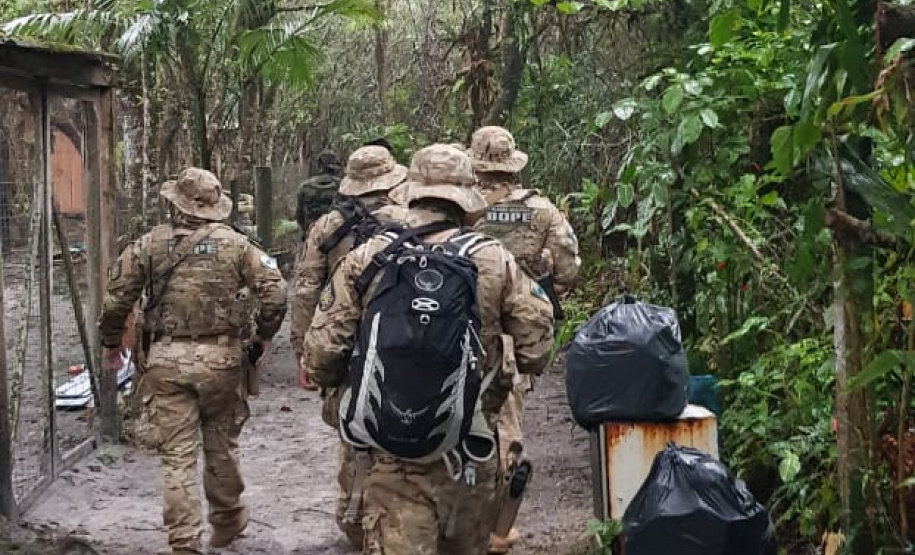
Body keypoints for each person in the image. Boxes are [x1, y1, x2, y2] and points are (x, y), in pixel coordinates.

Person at [303, 144, 554, 555]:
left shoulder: (369, 257)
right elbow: (537, 347)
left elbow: (321, 356)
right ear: (467, 196)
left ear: (410, 190)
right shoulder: (494, 260)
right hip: (468, 455)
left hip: (392, 461)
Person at [97, 167, 287, 555]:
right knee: (221, 444)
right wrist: (262, 338)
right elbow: (276, 291)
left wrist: (111, 343)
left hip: (165, 361)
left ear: (176, 203)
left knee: (177, 456)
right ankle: (228, 519)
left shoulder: (149, 245)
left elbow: (117, 299)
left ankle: (184, 542)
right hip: (222, 361)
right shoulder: (238, 245)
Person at [468, 125, 580, 553]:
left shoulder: (462, 208)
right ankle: (497, 530)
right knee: (505, 427)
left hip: (459, 331)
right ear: (513, 164)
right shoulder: (541, 210)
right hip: (512, 337)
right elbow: (569, 269)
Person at [290, 145, 410, 545]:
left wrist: (305, 353)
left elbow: (305, 291)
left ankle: (355, 522)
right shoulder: (416, 220)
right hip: (405, 349)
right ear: (394, 179)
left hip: (348, 350)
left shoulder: (327, 226)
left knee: (353, 438)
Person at [295, 150, 343, 236]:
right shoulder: (343, 186)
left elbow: (299, 216)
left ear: (319, 166)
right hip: (337, 235)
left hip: (312, 235)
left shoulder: (305, 186)